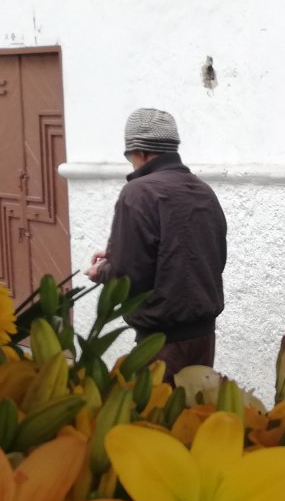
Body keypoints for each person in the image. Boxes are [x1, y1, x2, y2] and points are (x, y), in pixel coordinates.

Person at [85, 108, 227, 382]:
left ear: (139, 151)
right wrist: (118, 254)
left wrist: (102, 270)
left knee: (158, 409)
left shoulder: (138, 192)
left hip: (161, 345)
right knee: (195, 408)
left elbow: (128, 278)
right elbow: (207, 257)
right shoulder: (203, 190)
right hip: (204, 338)